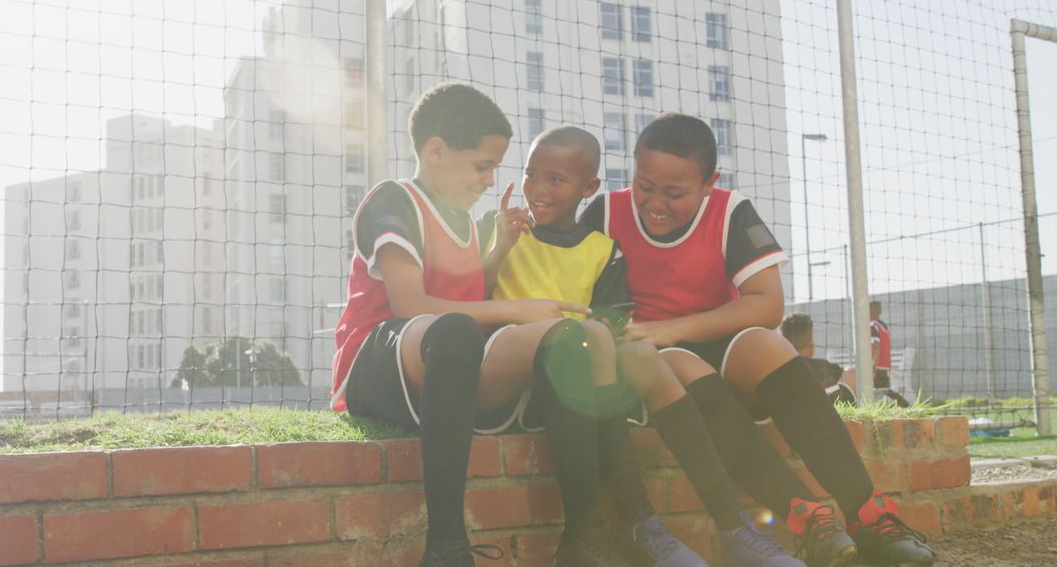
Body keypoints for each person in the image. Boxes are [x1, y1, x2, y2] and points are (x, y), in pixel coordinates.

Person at [581, 113, 936, 566]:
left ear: (710, 182)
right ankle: (807, 519)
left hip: (709, 347)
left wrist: (671, 327)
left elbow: (767, 304)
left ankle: (867, 514)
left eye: (675, 194)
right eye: (644, 185)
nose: (654, 203)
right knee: (684, 364)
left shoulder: (730, 210)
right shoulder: (605, 213)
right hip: (655, 366)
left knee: (769, 344)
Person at [485, 125, 804, 566]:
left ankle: (721, 526)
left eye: (555, 180)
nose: (537, 189)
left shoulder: (603, 249)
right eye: (530, 173)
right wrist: (498, 247)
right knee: (590, 341)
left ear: (589, 188)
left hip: (580, 381)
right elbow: (474, 304)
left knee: (631, 351)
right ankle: (631, 520)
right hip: (517, 377)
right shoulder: (500, 232)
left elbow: (611, 327)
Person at [331, 83, 617, 567]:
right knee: (460, 330)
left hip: (446, 363)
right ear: (437, 151)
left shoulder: (465, 219)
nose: (489, 180)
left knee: (566, 335)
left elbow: (465, 301)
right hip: (377, 367)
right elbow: (412, 305)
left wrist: (498, 251)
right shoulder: (393, 200)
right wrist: (515, 308)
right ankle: (446, 549)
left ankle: (584, 539)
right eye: (482, 166)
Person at [780, 313, 856, 406]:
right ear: (811, 342)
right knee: (852, 373)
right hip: (826, 416)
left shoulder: (776, 372)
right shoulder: (826, 369)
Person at [870, 301, 910, 407]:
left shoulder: (872, 326)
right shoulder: (883, 325)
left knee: (876, 389)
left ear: (871, 311)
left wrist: (873, 365)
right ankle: (905, 406)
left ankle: (906, 406)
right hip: (885, 363)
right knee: (884, 389)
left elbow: (877, 346)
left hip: (877, 364)